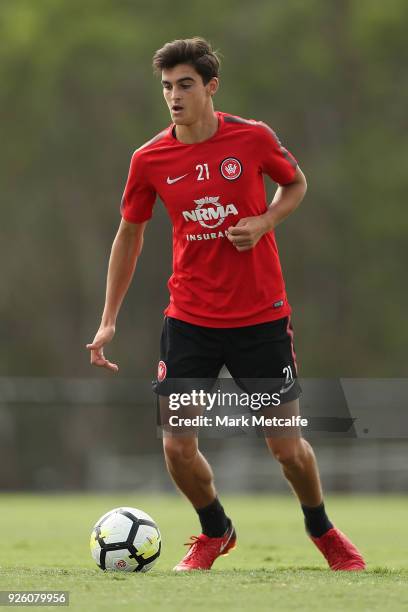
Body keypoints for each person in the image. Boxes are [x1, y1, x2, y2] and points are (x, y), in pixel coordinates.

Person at [87, 37, 365, 572]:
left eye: (185, 85)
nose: (174, 96)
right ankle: (215, 531)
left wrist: (264, 221)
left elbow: (296, 183)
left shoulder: (253, 139)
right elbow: (129, 237)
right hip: (189, 320)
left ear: (211, 87)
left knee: (287, 450)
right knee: (176, 448)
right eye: (167, 87)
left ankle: (322, 530)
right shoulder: (149, 159)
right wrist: (108, 321)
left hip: (261, 319)